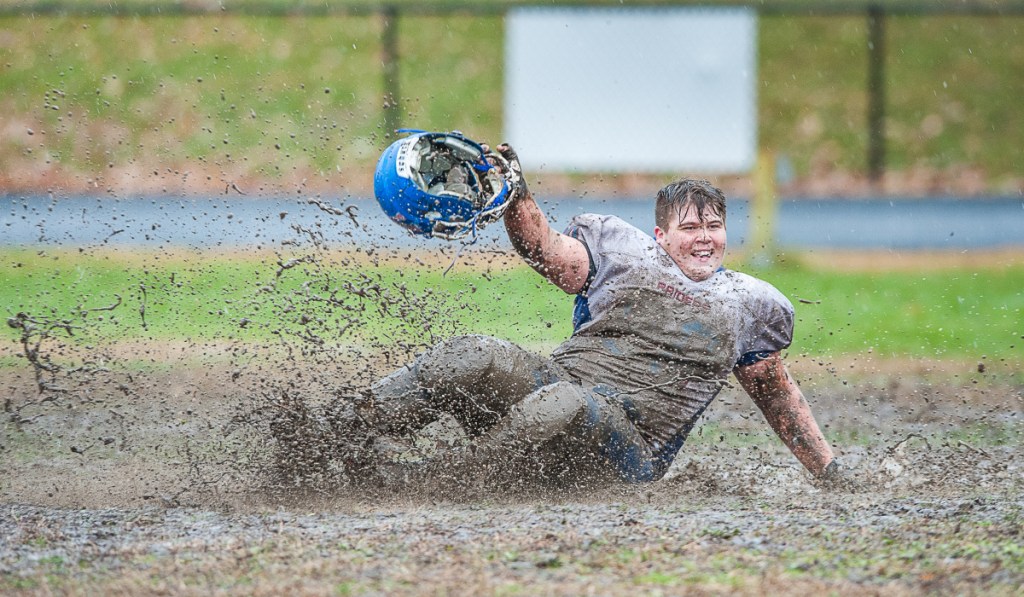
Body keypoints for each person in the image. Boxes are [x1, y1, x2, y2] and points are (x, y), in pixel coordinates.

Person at [349, 145, 843, 487]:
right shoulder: (623, 254)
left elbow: (775, 393)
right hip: (558, 389)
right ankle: (342, 429)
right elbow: (542, 248)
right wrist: (516, 195)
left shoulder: (751, 303)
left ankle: (432, 481)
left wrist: (827, 471)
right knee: (475, 352)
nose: (703, 237)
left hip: (629, 449)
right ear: (660, 235)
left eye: (714, 226)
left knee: (566, 400)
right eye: (689, 226)